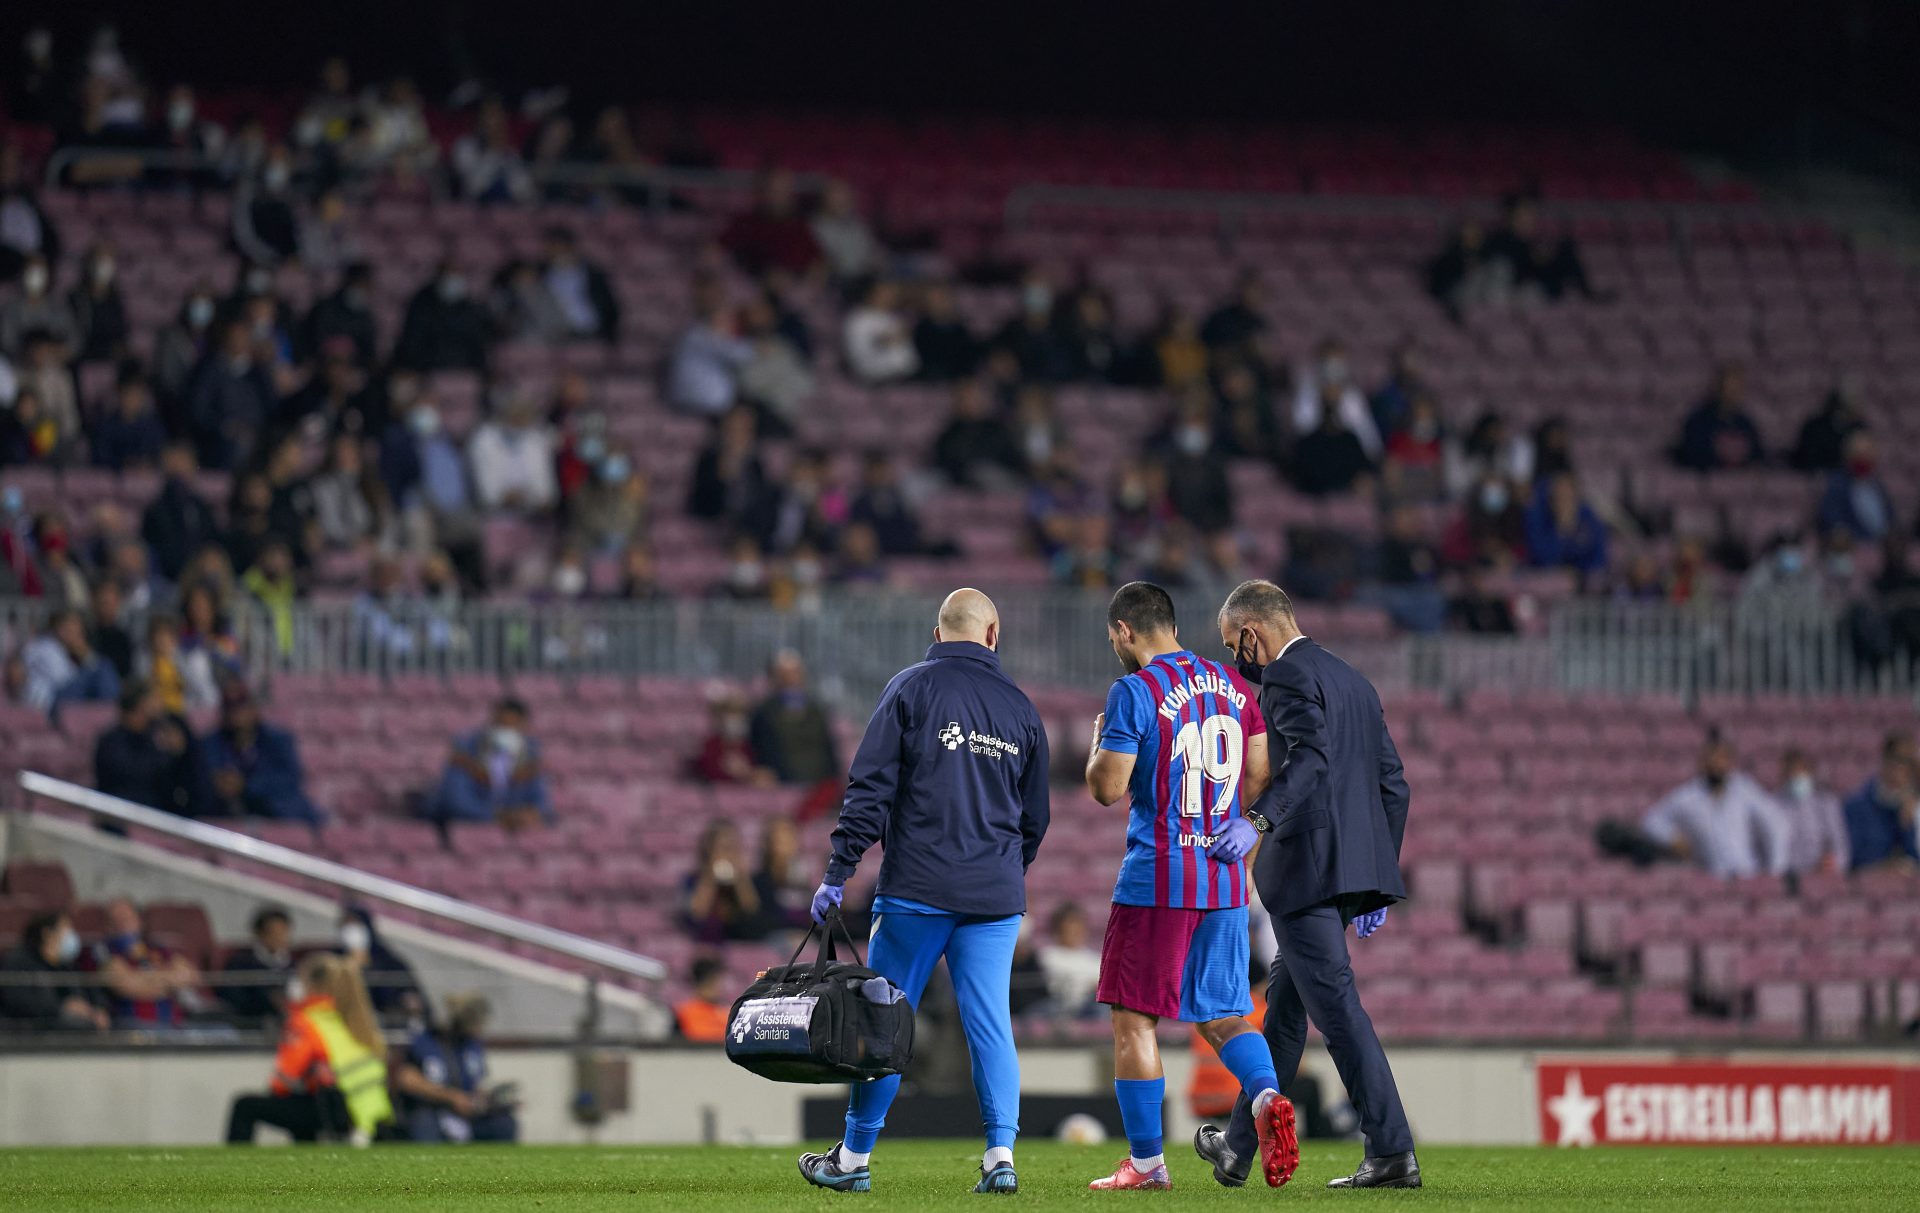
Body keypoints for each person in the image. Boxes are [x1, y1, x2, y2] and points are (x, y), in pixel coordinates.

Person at [798, 589, 1049, 1196]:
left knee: (883, 1020)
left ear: (937, 635)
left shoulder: (909, 688)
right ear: (994, 635)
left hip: (917, 889)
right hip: (993, 895)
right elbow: (1035, 819)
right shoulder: (1021, 709)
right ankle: (1000, 1157)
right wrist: (1000, 871)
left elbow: (869, 789)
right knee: (990, 1023)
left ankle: (854, 1160)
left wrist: (838, 871)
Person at [1200, 579, 1418, 1190]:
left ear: (1252, 634)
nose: (1235, 659)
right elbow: (1393, 785)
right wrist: (1374, 881)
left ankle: (1392, 1150)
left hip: (1304, 872)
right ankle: (1239, 1148)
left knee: (1339, 1012)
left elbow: (1312, 761)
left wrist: (1258, 820)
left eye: (1232, 645)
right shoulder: (1355, 681)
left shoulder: (1287, 679)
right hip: (1344, 874)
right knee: (1287, 1015)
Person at [1080, 583, 1290, 1191]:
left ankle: (1146, 1164)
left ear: (1124, 631)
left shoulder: (1134, 691)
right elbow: (1258, 773)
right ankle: (1265, 1096)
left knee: (1135, 1020)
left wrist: (1099, 745)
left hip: (1158, 880)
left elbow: (1107, 788)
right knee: (1224, 1013)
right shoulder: (1232, 685)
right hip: (1225, 878)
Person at [226, 953, 392, 1144]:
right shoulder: (351, 1020)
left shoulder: (306, 1021)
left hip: (330, 1111)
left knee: (244, 1106)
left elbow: (287, 1077)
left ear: (310, 984)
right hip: (365, 1115)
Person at [1640, 734, 1791, 878]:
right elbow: (1651, 821)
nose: (1717, 764)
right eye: (1712, 758)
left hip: (1747, 873)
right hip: (1711, 878)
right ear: (1703, 762)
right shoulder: (1688, 796)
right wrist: (1672, 838)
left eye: (1722, 759)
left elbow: (1776, 823)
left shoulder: (1744, 789)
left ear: (1730, 762)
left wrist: (1776, 870)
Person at [395, 993, 518, 1142]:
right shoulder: (425, 1042)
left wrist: (489, 1102)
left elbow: (477, 1084)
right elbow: (406, 1079)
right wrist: (451, 1097)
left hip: (467, 1114)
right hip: (433, 1110)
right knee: (423, 1124)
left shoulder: (473, 1046)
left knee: (504, 1124)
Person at [194, 684, 323, 824]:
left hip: (274, 812)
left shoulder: (278, 740)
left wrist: (246, 785)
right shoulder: (210, 743)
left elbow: (289, 779)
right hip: (224, 813)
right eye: (231, 707)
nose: (237, 713)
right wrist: (220, 782)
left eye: (242, 706)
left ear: (254, 708)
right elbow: (202, 778)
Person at [429, 697, 554, 830]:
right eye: (502, 724)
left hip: (506, 831)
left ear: (524, 727)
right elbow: (455, 803)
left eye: (513, 726)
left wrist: (530, 814)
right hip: (459, 829)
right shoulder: (465, 752)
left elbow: (541, 803)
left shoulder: (530, 756)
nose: (506, 732)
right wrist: (499, 817)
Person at [88, 899, 204, 1028]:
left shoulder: (156, 947)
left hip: (176, 1024)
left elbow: (191, 975)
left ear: (139, 920)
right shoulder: (104, 949)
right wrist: (169, 981)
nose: (122, 923)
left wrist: (142, 979)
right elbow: (125, 985)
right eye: (116, 919)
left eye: (127, 917)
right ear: (107, 926)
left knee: (224, 1033)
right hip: (134, 1023)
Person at [93, 679, 193, 814]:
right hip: (122, 820)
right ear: (142, 703)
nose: (161, 704)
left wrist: (180, 753)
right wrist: (167, 755)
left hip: (159, 817)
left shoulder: (155, 737)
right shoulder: (111, 743)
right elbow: (133, 780)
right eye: (156, 698)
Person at [0, 910, 108, 1030]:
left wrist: (98, 1009)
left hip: (73, 1025)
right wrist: (62, 1007)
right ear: (47, 934)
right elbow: (18, 1001)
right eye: (66, 928)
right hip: (33, 1030)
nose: (72, 935)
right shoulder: (19, 962)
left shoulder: (68, 966)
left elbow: (93, 993)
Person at [749, 650, 841, 786]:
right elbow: (765, 752)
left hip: (819, 782)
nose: (792, 679)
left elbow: (828, 749)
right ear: (775, 678)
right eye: (785, 675)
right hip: (783, 784)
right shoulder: (763, 713)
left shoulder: (817, 710)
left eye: (796, 673)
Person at [1843, 735, 1920, 872]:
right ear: (1885, 760)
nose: (1901, 770)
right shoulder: (1856, 806)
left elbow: (1914, 859)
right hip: (1866, 888)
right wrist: (1884, 868)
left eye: (1908, 763)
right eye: (1898, 760)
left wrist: (1908, 826)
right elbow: (1851, 861)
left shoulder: (1911, 808)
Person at [22, 608, 120, 713]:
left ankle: (111, 711)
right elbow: (64, 680)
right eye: (70, 625)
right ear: (58, 628)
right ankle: (113, 712)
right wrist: (86, 654)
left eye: (78, 627)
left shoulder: (63, 650)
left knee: (102, 669)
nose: (75, 631)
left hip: (60, 700)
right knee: (102, 666)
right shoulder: (46, 647)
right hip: (49, 703)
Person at [681, 820, 764, 943]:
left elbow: (752, 910)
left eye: (731, 847)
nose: (727, 853)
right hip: (706, 943)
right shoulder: (693, 879)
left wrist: (741, 878)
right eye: (722, 847)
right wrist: (710, 876)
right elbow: (697, 914)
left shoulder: (746, 879)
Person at [337, 905, 422, 1020]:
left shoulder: (390, 962)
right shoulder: (335, 960)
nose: (350, 931)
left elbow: (412, 999)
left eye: (355, 925)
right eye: (346, 925)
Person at [1675, 364, 1765, 472]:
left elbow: (1757, 456)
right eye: (1729, 387)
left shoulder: (1745, 423)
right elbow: (1692, 457)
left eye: (1737, 388)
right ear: (1718, 387)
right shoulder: (1698, 421)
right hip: (1707, 482)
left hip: (1739, 483)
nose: (1733, 393)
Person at [1774, 749, 1848, 875]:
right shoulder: (1775, 805)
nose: (1796, 776)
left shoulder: (1826, 802)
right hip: (1789, 876)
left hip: (1824, 875)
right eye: (1792, 771)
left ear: (1809, 772)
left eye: (1800, 771)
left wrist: (1834, 863)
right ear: (1784, 774)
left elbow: (1839, 842)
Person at [222, 905, 296, 1027]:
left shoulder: (293, 965)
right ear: (259, 934)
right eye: (273, 933)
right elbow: (234, 998)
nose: (279, 938)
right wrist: (268, 1000)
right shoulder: (241, 962)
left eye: (283, 932)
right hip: (251, 1023)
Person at [1816, 432, 1894, 544]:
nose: (1863, 458)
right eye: (1858, 454)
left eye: (1867, 454)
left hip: (1883, 546)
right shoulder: (1837, 485)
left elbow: (1890, 519)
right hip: (1855, 546)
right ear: (1848, 455)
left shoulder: (1877, 485)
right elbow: (1833, 521)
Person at [688, 686, 772, 785]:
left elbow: (760, 770)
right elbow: (707, 772)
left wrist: (750, 774)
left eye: (739, 715)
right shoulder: (710, 745)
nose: (735, 720)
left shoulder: (751, 746)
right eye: (730, 715)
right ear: (719, 719)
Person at [843, 280, 920, 384]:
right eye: (884, 293)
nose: (889, 297)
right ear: (871, 294)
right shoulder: (857, 318)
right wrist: (882, 341)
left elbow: (907, 354)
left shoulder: (893, 317)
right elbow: (857, 354)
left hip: (903, 377)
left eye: (891, 294)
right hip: (872, 378)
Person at [673, 956, 731, 1043]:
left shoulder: (727, 1012)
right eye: (712, 983)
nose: (718, 987)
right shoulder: (683, 1013)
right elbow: (699, 1036)